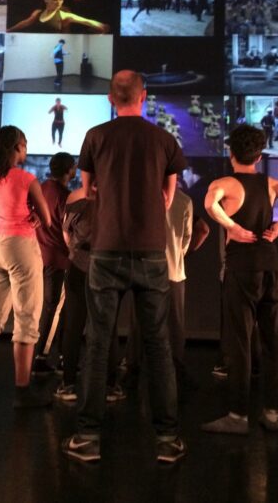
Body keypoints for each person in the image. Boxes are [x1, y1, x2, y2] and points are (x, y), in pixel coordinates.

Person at [62, 70, 188, 465]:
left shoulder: (96, 137)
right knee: (158, 345)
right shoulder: (164, 139)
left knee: (99, 344)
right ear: (144, 96)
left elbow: (87, 188)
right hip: (151, 251)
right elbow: (169, 195)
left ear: (109, 100)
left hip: (106, 249)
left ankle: (87, 437)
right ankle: (167, 439)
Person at [200, 124, 278, 436]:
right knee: (273, 341)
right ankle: (271, 413)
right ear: (259, 154)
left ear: (231, 153)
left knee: (240, 343)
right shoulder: (270, 184)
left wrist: (233, 227)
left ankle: (238, 415)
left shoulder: (226, 183)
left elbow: (209, 204)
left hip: (242, 269)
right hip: (272, 268)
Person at [0, 126, 53, 408]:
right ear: (16, 147)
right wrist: (35, 217)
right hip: (20, 247)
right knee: (26, 318)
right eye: (25, 145)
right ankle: (22, 393)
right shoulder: (27, 178)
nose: (26, 151)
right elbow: (48, 219)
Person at [124, 183, 210, 395]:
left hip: (144, 269)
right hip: (173, 271)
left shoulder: (139, 195)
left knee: (138, 324)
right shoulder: (183, 200)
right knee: (174, 325)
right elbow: (190, 236)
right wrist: (179, 255)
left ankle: (132, 373)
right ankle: (175, 375)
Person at [55, 179, 126, 403]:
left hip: (79, 266)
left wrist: (75, 250)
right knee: (109, 325)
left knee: (74, 325)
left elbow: (66, 233)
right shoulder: (119, 199)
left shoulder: (77, 199)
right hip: (109, 267)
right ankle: (111, 385)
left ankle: (68, 384)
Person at [32, 152, 77, 375]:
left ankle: (61, 357)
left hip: (40, 255)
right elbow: (67, 230)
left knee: (57, 307)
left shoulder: (40, 188)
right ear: (70, 170)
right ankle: (41, 357)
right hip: (59, 258)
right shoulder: (65, 196)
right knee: (55, 307)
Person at [8, 0, 111, 34]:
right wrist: (8, 30)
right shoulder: (37, 13)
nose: (58, 2)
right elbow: (25, 23)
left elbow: (86, 21)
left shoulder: (64, 15)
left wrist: (101, 26)